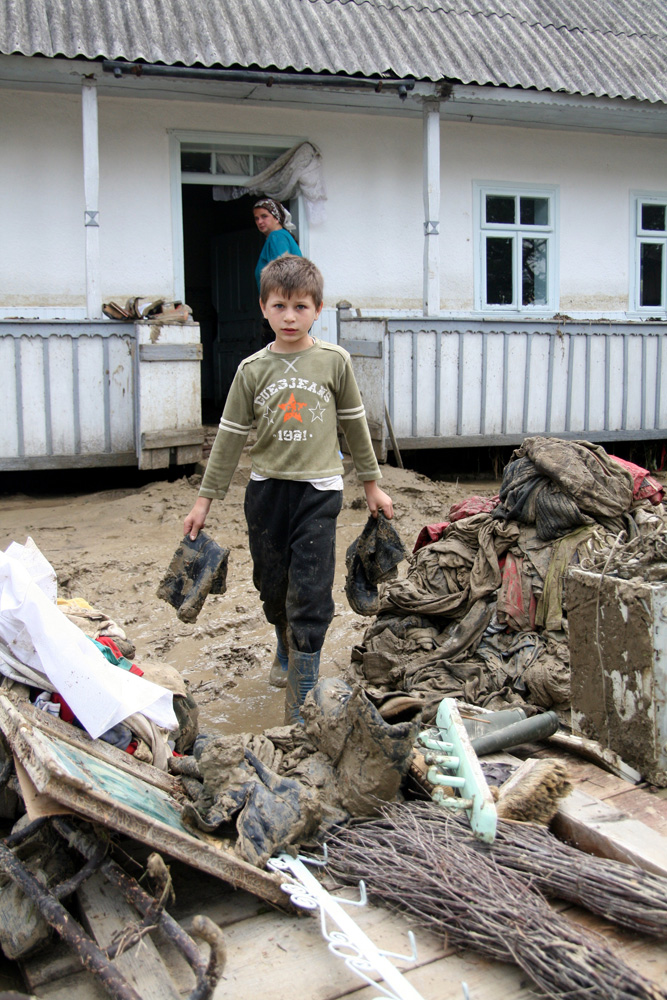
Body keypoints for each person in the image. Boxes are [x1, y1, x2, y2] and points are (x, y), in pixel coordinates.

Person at [184, 254, 393, 725]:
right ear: (264, 308)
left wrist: (372, 485)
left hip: (319, 492)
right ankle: (283, 636)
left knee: (312, 589)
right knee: (272, 585)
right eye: (280, 306)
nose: (291, 316)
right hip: (266, 495)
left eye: (301, 306)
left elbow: (355, 427)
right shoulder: (251, 370)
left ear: (317, 309)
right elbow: (230, 438)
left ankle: (302, 686)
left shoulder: (334, 361)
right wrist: (204, 502)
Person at [253, 198, 302, 293]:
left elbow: (282, 275)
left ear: (276, 218)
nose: (259, 222)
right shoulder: (282, 235)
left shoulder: (277, 236)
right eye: (256, 218)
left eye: (264, 216)